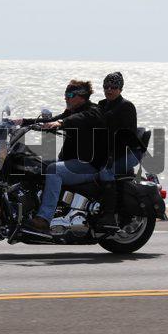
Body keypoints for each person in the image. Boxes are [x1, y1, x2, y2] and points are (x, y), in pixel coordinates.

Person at [13, 80, 106, 232]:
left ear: (82, 96)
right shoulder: (71, 112)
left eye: (70, 95)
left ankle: (44, 218)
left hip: (88, 165)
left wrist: (61, 123)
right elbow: (52, 120)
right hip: (71, 161)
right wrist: (23, 122)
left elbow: (80, 119)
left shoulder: (93, 111)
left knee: (54, 170)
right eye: (65, 94)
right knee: (36, 165)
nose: (66, 98)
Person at [97, 72, 143, 227]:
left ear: (120, 89)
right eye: (106, 86)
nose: (109, 90)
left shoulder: (126, 106)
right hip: (111, 151)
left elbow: (126, 136)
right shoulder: (102, 104)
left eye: (113, 87)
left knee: (105, 172)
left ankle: (109, 216)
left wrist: (111, 157)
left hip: (128, 152)